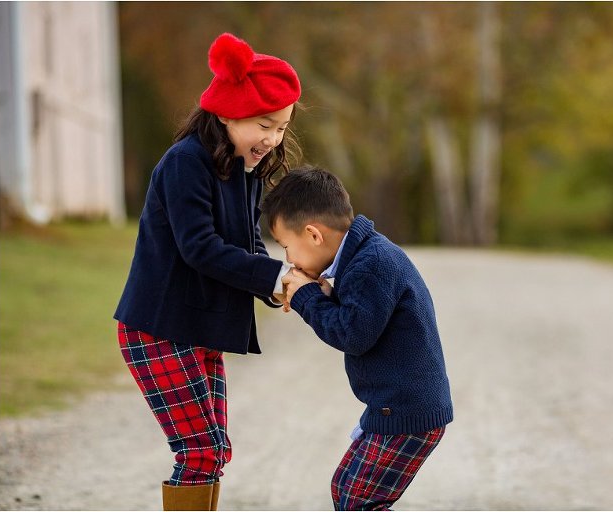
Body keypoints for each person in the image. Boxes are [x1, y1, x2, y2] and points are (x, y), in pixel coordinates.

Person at [114, 32, 300, 511]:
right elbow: (201, 248)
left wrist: (287, 286)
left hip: (195, 328)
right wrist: (272, 277)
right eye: (264, 124)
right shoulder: (186, 163)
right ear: (228, 112)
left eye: (280, 128)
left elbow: (247, 242)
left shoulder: (243, 167)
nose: (272, 139)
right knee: (200, 451)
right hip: (157, 328)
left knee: (213, 451)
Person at [262, 167, 454, 510]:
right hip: (393, 406)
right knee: (346, 487)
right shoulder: (365, 257)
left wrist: (307, 297)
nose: (289, 259)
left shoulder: (371, 264)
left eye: (287, 247)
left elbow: (352, 335)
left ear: (313, 234)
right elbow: (363, 315)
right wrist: (323, 294)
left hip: (405, 409)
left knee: (359, 500)